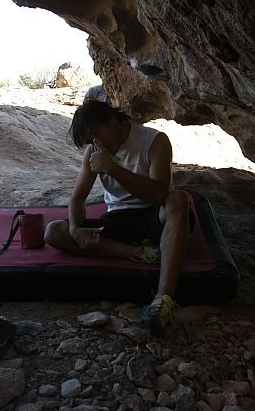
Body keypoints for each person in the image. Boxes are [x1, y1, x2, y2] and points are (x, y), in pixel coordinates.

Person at [44, 100, 192, 335]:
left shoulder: (154, 141)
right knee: (54, 231)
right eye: (91, 139)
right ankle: (141, 254)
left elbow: (158, 194)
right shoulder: (94, 152)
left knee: (178, 199)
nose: (96, 142)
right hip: (118, 220)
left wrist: (112, 168)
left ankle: (163, 301)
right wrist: (74, 229)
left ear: (112, 120)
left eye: (96, 133)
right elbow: (77, 198)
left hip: (154, 216)